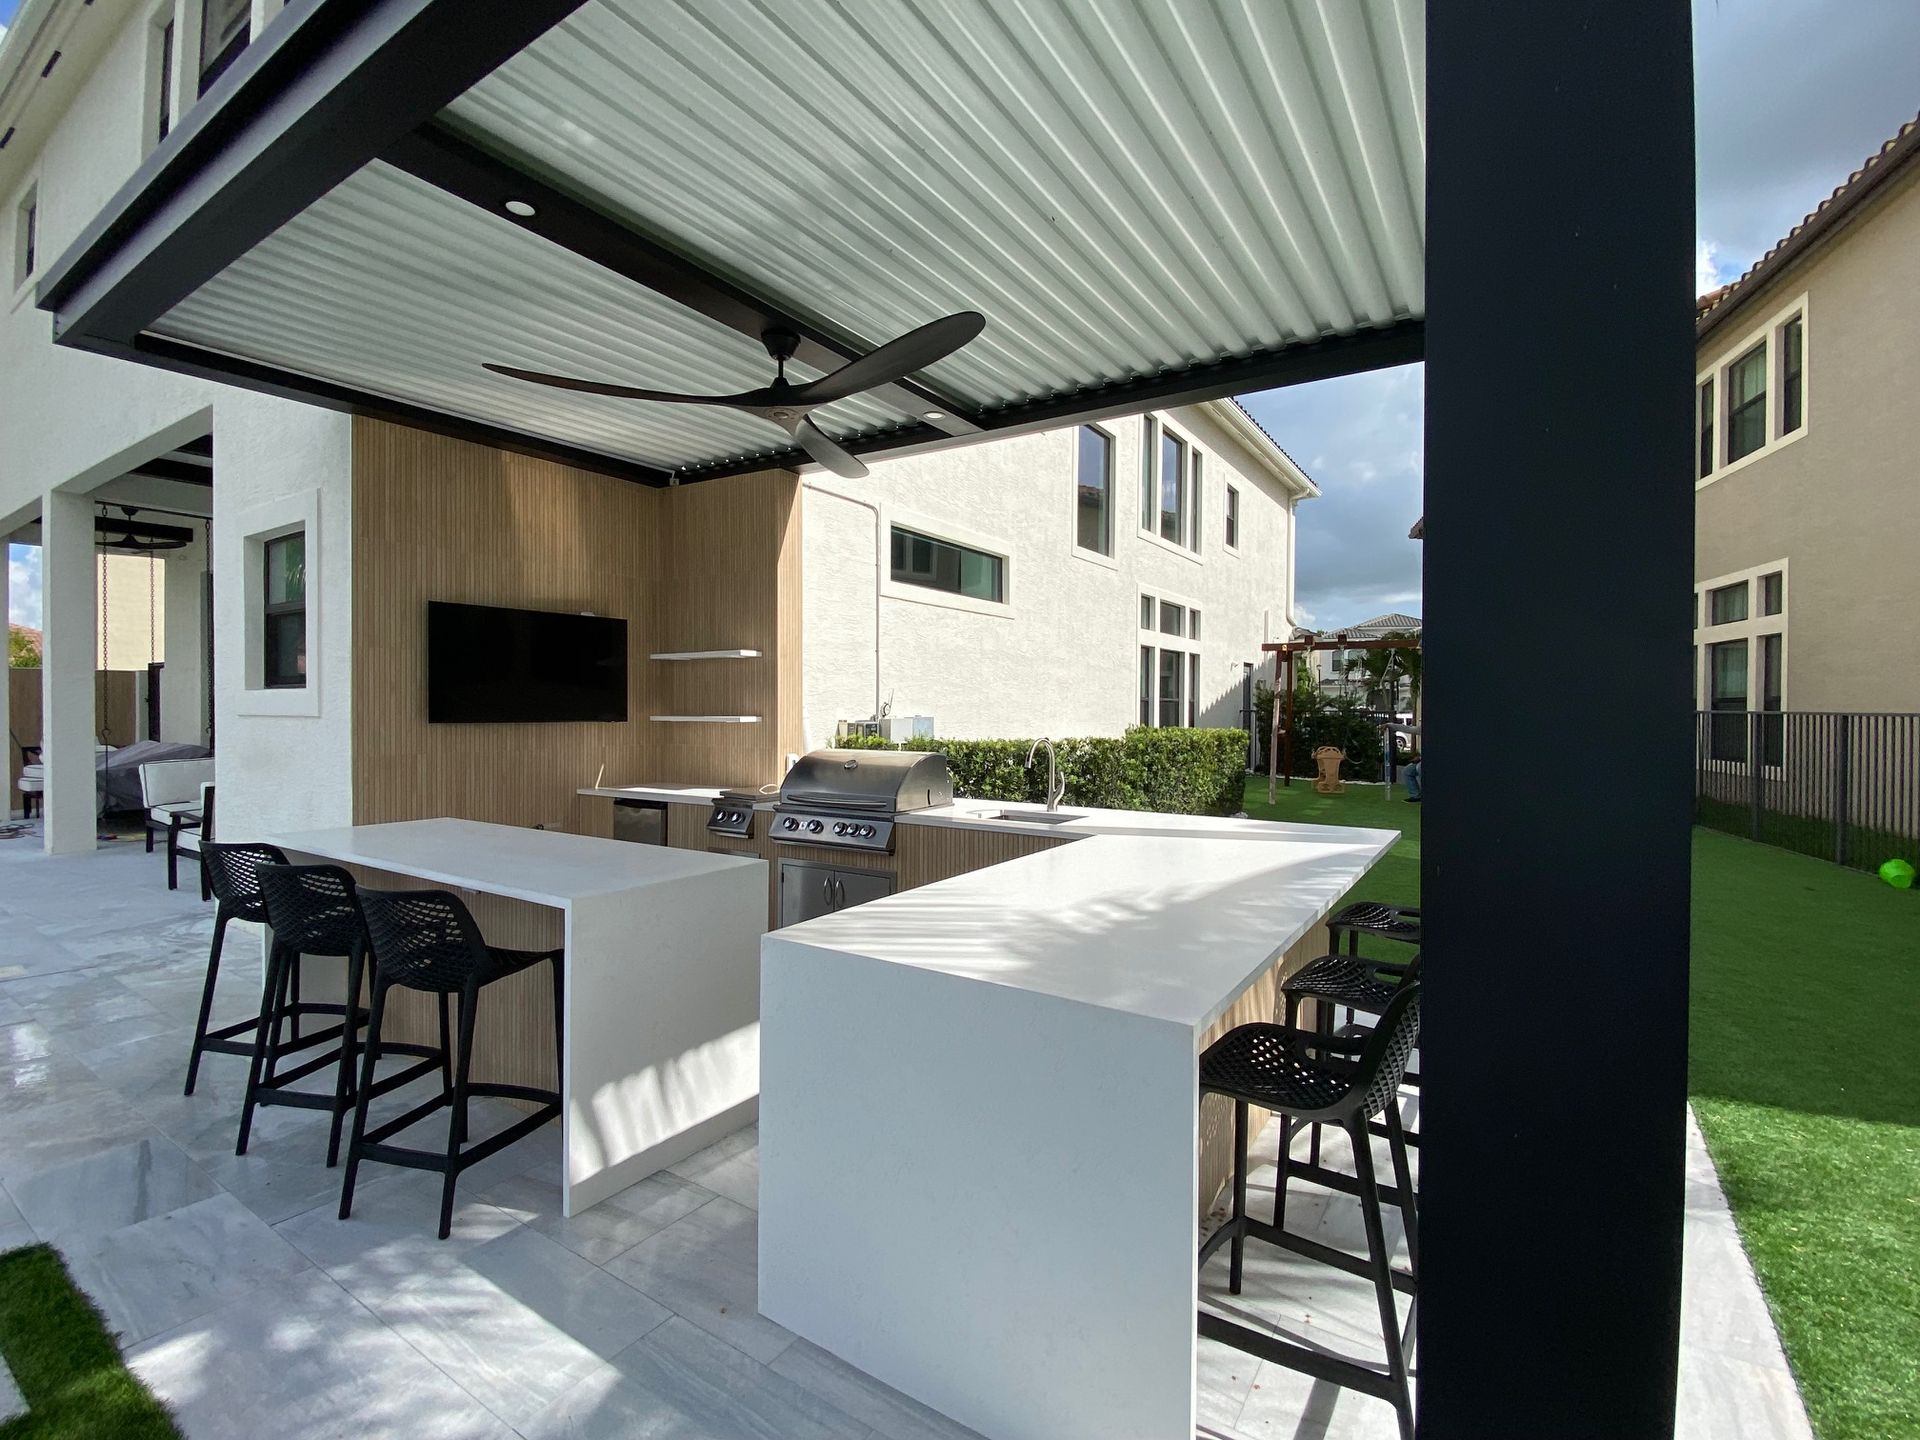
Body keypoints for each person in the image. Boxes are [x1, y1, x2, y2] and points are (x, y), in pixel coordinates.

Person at [1396, 723, 1422, 803]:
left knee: (1419, 768)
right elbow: (1408, 729)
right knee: (1407, 771)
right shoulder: (1421, 729)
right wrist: (1390, 725)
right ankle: (1416, 796)